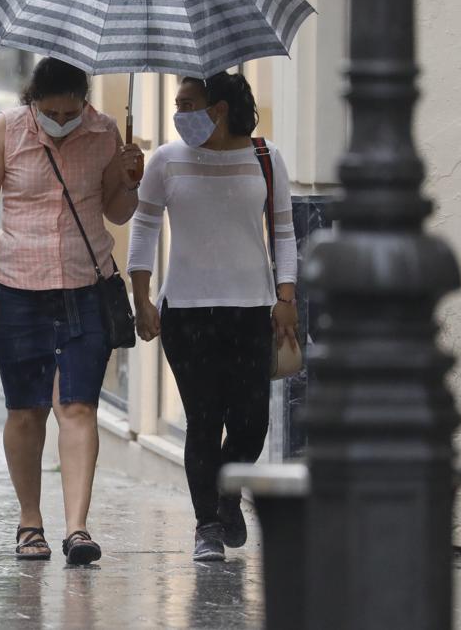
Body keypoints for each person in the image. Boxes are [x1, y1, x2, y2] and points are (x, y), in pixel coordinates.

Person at [0, 57, 144, 565]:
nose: (61, 121)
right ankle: (29, 522)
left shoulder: (104, 132)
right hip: (17, 289)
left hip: (86, 287)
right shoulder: (5, 131)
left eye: (70, 111)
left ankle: (79, 529)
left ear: (85, 102)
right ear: (32, 102)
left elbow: (117, 211)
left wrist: (130, 179)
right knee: (26, 409)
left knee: (80, 406)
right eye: (51, 111)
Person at [127, 72, 299, 562]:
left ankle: (228, 495)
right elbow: (142, 229)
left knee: (251, 422)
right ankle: (207, 525)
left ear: (218, 108)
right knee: (203, 420)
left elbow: (284, 232)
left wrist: (285, 295)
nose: (179, 113)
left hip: (252, 311)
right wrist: (142, 298)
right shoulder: (165, 160)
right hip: (187, 311)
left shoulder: (265, 158)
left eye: (186, 104)